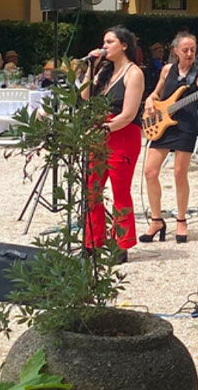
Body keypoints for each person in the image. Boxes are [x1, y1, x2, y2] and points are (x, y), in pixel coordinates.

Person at [141, 31, 198, 244]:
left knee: (179, 173)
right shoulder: (167, 70)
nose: (190, 53)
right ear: (176, 51)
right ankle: (156, 220)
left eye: (193, 49)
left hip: (185, 126)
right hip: (163, 125)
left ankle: (181, 220)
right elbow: (156, 94)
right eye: (185, 50)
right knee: (149, 171)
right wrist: (149, 101)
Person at [80, 25, 145, 263]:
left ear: (124, 45)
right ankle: (92, 241)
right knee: (91, 189)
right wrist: (90, 67)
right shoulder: (104, 72)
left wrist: (102, 128)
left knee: (120, 191)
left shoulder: (133, 73)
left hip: (122, 135)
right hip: (99, 134)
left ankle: (121, 243)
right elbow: (84, 97)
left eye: (110, 42)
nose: (104, 46)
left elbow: (128, 114)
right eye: (104, 42)